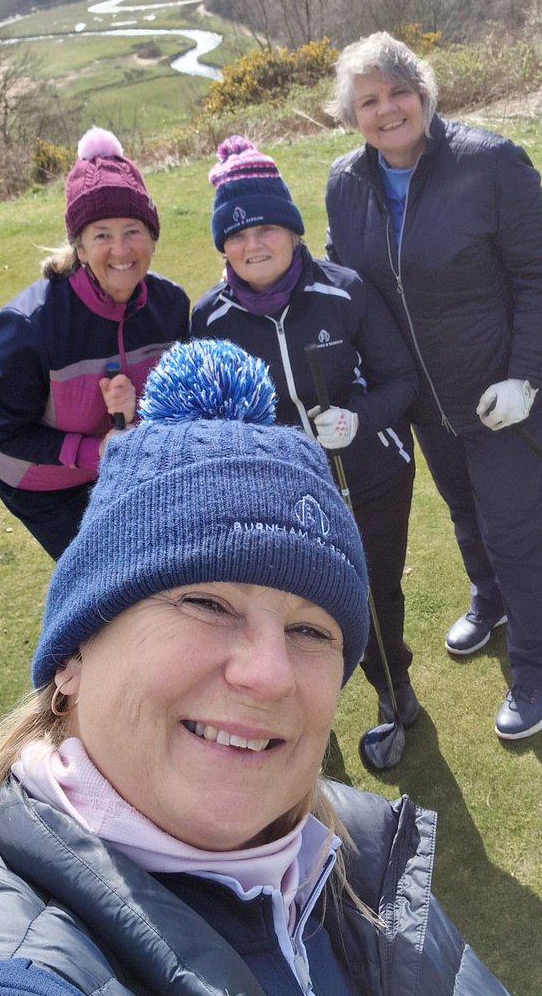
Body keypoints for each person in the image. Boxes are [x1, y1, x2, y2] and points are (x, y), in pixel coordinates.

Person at [0, 338, 511, 996]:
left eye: (309, 629)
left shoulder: (367, 847)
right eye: (207, 602)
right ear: (73, 657)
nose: (270, 674)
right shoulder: (15, 972)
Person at [325, 31, 542, 741]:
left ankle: (539, 666)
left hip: (505, 395)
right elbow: (349, 289)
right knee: (466, 513)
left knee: (515, 532)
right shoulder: (347, 183)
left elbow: (540, 276)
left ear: (425, 93)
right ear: (354, 115)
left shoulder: (491, 162)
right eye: (369, 99)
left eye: (400, 91)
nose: (388, 108)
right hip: (424, 401)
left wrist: (525, 376)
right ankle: (489, 602)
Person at [191, 136, 421, 743]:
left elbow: (401, 380)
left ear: (292, 231)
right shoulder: (207, 319)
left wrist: (358, 419)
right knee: (287, 604)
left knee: (374, 592)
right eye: (236, 235)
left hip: (372, 475)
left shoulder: (343, 290)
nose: (252, 244)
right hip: (281, 490)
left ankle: (394, 690)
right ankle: (288, 711)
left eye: (265, 227)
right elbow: (215, 419)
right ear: (224, 247)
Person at [0, 127, 190, 560]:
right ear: (79, 245)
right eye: (101, 235)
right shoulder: (29, 326)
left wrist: (133, 419)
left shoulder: (171, 305)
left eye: (133, 230)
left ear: (153, 236)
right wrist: (95, 451)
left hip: (120, 462)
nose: (120, 249)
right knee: (105, 575)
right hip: (40, 481)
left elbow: (175, 401)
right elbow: (4, 434)